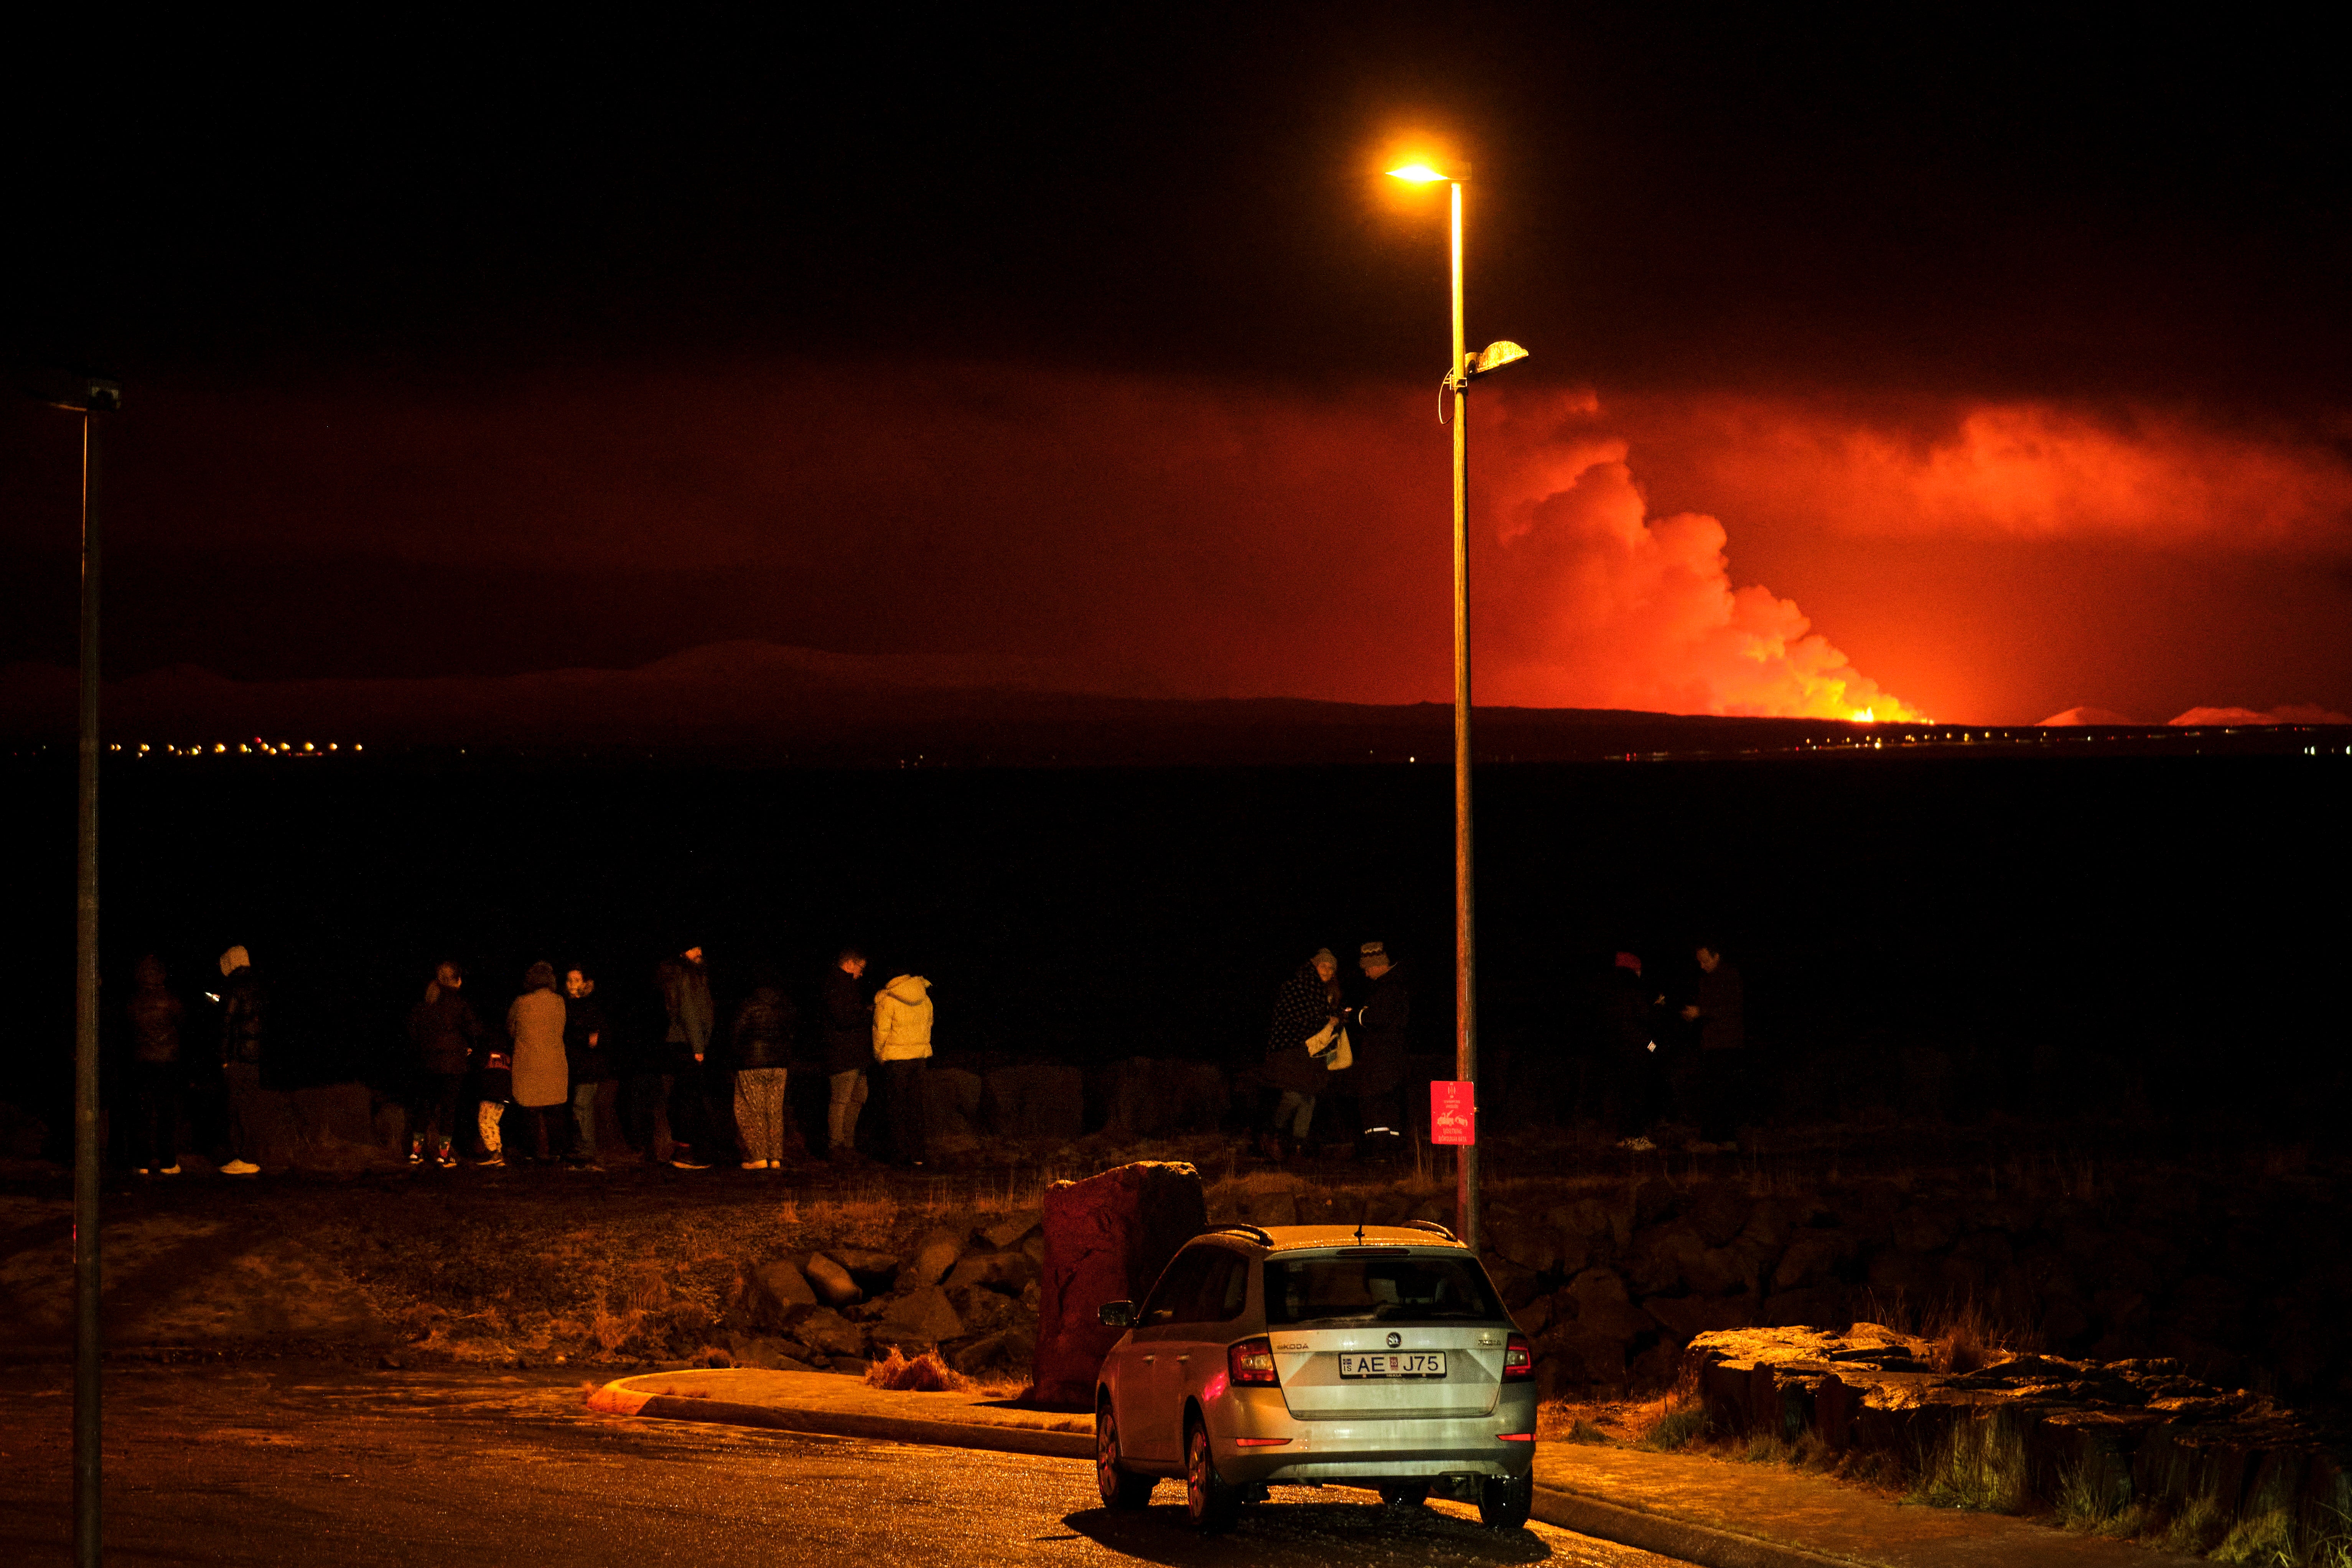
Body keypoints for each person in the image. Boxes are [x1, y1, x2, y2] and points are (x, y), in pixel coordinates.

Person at [1262, 948, 1342, 1161]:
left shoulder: (1327, 993)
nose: (1327, 970)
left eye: (1331, 967)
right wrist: (1328, 1020)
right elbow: (1299, 1017)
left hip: (1315, 1052)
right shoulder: (1297, 986)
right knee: (1295, 1094)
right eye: (1323, 965)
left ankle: (1298, 1145)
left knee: (1309, 1097)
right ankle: (1272, 1134)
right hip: (1294, 1049)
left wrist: (1336, 1019)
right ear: (1313, 966)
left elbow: (1322, 1019)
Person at [407, 960, 483, 1168]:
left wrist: (424, 1051)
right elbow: (475, 1030)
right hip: (453, 1066)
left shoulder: (426, 1003)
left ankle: (416, 1153)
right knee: (449, 1110)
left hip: (428, 1065)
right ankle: (443, 1156)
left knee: (425, 1107)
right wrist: (468, 1046)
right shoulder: (460, 1004)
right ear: (458, 980)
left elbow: (413, 1033)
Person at [656, 944, 718, 1169]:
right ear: (683, 953)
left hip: (686, 1043)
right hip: (687, 1044)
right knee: (688, 1099)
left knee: (685, 1097)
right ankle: (685, 1152)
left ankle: (685, 1150)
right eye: (694, 949)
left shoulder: (691, 974)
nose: (700, 951)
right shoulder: (685, 975)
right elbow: (689, 1010)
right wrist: (698, 1047)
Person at [1681, 942, 1746, 1146]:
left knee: (1724, 1092)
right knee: (1710, 1092)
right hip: (1710, 1044)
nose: (1702, 965)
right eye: (1699, 962)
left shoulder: (1730, 977)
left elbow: (1731, 1008)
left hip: (1727, 1044)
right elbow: (1707, 1008)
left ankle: (1725, 1139)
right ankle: (1712, 1138)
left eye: (1705, 960)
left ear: (1716, 957)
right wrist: (1693, 1014)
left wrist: (1701, 1012)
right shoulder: (1706, 980)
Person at [730, 970, 797, 1169]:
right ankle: (775, 1157)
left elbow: (736, 1034)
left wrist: (736, 1058)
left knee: (751, 1110)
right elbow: (793, 1033)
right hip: (779, 1064)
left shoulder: (748, 1005)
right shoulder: (785, 1006)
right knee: (775, 1111)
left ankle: (758, 1156)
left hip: (753, 1063)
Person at [1351, 941, 1410, 1163]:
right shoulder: (1395, 985)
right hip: (1390, 1056)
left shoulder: (1389, 988)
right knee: (1388, 1100)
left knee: (1374, 1099)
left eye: (1368, 968)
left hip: (1382, 1056)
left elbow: (1376, 1017)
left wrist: (1358, 1016)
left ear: (1379, 965)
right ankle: (1391, 1146)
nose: (1366, 974)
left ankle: (1378, 1148)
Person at [125, 955, 185, 1176]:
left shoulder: (133, 1001)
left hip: (141, 1062)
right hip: (168, 1062)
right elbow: (182, 1024)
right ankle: (168, 1162)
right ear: (162, 974)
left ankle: (141, 1161)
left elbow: (128, 1030)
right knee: (167, 1112)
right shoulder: (171, 999)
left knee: (141, 1112)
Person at [507, 961, 569, 1164]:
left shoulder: (521, 1002)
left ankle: (532, 1150)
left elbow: (511, 1029)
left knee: (530, 1110)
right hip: (554, 1062)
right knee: (554, 1110)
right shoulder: (559, 1002)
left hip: (529, 1063)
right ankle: (556, 1150)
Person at [871, 972, 934, 1167]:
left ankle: (898, 1155)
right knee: (915, 1106)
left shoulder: (887, 1000)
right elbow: (930, 1023)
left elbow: (881, 1030)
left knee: (895, 1107)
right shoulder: (925, 998)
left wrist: (879, 1054)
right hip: (919, 1057)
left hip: (896, 1059)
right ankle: (918, 1155)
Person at [215, 945, 265, 1175]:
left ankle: (242, 1157)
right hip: (254, 1057)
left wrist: (224, 1058)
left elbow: (226, 1026)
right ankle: (251, 1155)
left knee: (235, 1108)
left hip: (237, 1057)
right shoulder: (257, 985)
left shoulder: (232, 987)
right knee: (250, 1107)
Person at [821, 948, 872, 1162]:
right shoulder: (836, 985)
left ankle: (848, 1143)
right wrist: (868, 1013)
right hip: (843, 1053)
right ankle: (836, 1146)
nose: (862, 974)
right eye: (861, 968)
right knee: (841, 1100)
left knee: (858, 1097)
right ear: (849, 964)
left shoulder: (848, 986)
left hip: (855, 1054)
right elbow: (843, 1018)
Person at [563, 965, 614, 1167]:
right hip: (575, 1066)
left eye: (576, 980)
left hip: (589, 1066)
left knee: (582, 1105)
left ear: (585, 983)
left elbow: (600, 1035)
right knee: (578, 1108)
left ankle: (586, 1148)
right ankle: (580, 1147)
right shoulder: (566, 1005)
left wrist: (588, 1038)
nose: (572, 985)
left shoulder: (591, 1005)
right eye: (569, 980)